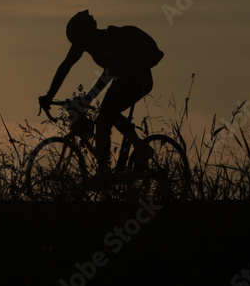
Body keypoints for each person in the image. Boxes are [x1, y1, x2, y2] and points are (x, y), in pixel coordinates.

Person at [38, 10, 164, 174]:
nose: (76, 46)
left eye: (77, 40)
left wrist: (88, 98)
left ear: (83, 34)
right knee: (108, 114)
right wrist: (50, 95)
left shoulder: (104, 42)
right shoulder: (94, 43)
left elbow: (108, 73)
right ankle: (139, 149)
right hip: (129, 78)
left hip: (138, 78)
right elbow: (66, 66)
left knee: (104, 118)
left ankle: (104, 170)